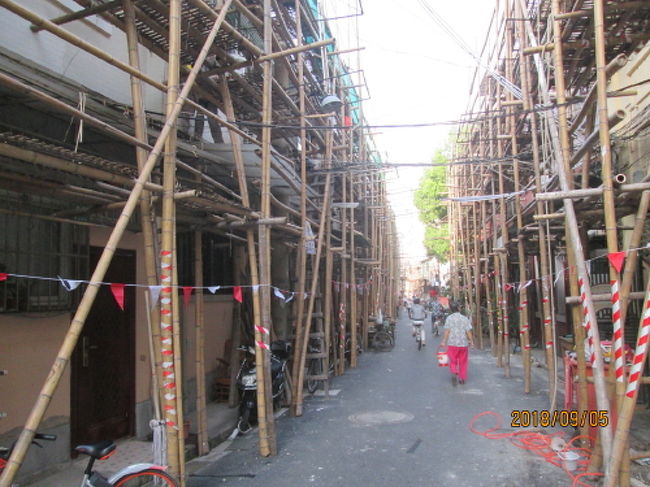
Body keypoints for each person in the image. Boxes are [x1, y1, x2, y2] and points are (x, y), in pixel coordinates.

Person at [440, 301, 474, 386]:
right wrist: (471, 341)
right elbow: (468, 331)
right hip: (463, 343)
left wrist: (444, 341)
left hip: (452, 343)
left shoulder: (449, 318)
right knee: (463, 361)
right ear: (459, 308)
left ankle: (454, 372)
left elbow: (447, 331)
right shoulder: (464, 318)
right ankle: (462, 378)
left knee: (453, 360)